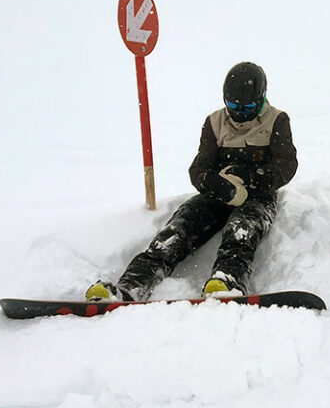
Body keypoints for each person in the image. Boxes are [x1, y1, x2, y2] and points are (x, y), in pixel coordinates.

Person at [86, 62, 297, 300]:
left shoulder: (276, 120)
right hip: (218, 193)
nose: (239, 112)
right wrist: (210, 181)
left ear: (261, 99)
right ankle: (130, 286)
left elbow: (286, 165)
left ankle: (228, 280)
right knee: (178, 230)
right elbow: (198, 168)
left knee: (241, 231)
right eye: (233, 105)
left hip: (259, 195)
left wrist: (253, 176)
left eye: (248, 107)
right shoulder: (214, 122)